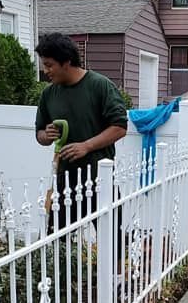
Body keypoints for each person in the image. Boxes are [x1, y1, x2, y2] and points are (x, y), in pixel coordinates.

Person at [35, 33, 127, 226]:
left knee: (112, 239)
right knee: (58, 242)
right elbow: (40, 134)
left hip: (99, 179)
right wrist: (47, 135)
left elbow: (119, 127)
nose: (46, 71)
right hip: (64, 180)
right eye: (44, 64)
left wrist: (86, 146)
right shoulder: (48, 94)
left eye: (49, 65)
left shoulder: (100, 86)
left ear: (66, 61)